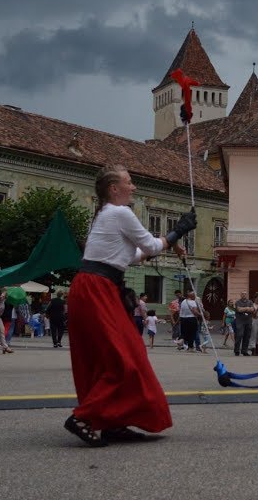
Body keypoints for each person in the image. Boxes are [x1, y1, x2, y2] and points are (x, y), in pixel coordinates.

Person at [63, 165, 194, 446]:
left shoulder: (105, 215)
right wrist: (178, 230)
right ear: (114, 189)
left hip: (94, 287)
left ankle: (111, 422)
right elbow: (150, 245)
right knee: (126, 358)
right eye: (129, 182)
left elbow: (133, 255)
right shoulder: (120, 212)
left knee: (108, 359)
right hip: (98, 288)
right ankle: (84, 417)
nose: (133, 187)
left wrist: (168, 242)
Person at [232, 291, 255, 356]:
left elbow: (252, 309)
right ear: (240, 295)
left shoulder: (250, 302)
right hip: (240, 321)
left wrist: (244, 309)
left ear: (247, 295)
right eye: (242, 294)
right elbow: (239, 309)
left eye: (245, 294)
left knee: (247, 336)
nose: (244, 295)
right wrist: (247, 308)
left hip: (248, 321)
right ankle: (236, 350)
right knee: (239, 335)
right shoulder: (237, 302)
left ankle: (244, 351)